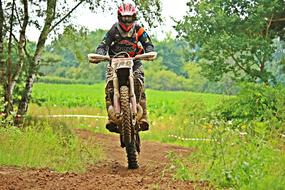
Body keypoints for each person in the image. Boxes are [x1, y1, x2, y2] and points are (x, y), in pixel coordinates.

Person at [94, 3, 154, 133]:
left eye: (129, 18)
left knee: (140, 84)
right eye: (124, 18)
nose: (127, 21)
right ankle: (111, 118)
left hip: (134, 61)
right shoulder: (113, 30)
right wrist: (100, 55)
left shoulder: (139, 29)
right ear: (119, 17)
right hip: (114, 63)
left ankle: (143, 117)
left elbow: (148, 43)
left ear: (134, 17)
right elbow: (103, 44)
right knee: (109, 88)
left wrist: (149, 52)